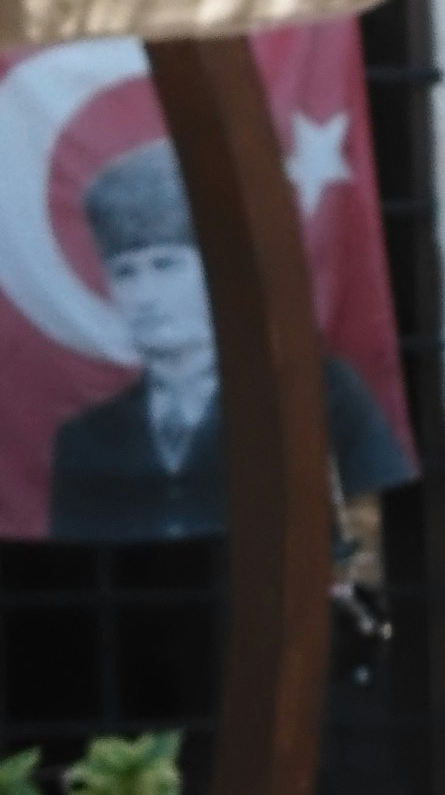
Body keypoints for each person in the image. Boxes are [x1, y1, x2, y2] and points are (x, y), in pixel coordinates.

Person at [46, 138, 413, 544]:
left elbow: (369, 530)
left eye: (166, 265)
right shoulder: (87, 436)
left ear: (220, 271)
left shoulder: (318, 391)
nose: (145, 295)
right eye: (125, 273)